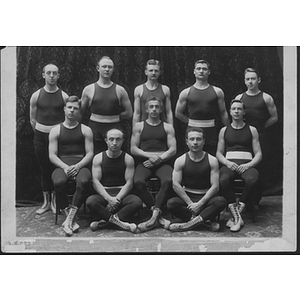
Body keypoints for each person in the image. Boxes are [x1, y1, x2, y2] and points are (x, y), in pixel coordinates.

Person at [161, 127, 226, 232]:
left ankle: (189, 224)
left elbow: (215, 186)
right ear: (187, 142)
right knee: (171, 204)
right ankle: (202, 222)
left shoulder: (212, 160)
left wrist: (200, 204)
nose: (195, 142)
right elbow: (175, 185)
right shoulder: (180, 160)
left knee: (220, 202)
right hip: (188, 198)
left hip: (205, 198)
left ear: (204, 141)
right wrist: (190, 203)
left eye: (198, 139)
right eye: (192, 139)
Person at [49, 96, 94, 236]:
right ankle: (70, 217)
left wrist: (78, 166)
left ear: (79, 111)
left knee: (84, 181)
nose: (72, 111)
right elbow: (52, 155)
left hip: (80, 165)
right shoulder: (55, 130)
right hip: (62, 165)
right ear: (64, 109)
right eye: (70, 107)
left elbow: (90, 153)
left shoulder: (86, 130)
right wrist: (64, 167)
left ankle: (68, 220)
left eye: (75, 108)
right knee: (58, 182)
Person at [131, 96, 177, 232]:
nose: (154, 109)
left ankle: (155, 215)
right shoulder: (139, 126)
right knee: (138, 181)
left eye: (157, 107)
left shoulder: (168, 127)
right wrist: (150, 157)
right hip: (145, 161)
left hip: (162, 162)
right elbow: (133, 148)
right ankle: (157, 213)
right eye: (151, 107)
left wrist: (159, 159)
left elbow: (173, 149)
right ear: (146, 109)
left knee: (168, 180)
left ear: (161, 109)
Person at [216, 99, 262, 232]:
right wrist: (227, 163)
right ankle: (238, 217)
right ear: (230, 112)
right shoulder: (224, 130)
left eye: (239, 109)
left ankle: (236, 215)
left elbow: (258, 154)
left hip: (246, 164)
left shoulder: (252, 130)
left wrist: (248, 165)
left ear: (244, 112)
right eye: (234, 109)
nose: (236, 111)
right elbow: (219, 153)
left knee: (252, 179)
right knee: (223, 179)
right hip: (230, 164)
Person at [235, 67, 278, 205]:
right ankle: (243, 199)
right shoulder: (239, 98)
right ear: (244, 81)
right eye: (248, 79)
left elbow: (274, 117)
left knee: (259, 168)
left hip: (260, 137)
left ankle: (255, 201)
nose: (250, 81)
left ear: (258, 80)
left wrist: (260, 127)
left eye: (253, 78)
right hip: (244, 138)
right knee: (245, 168)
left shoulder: (266, 97)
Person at [29, 63, 69, 215]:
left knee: (56, 169)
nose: (51, 76)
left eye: (54, 73)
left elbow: (69, 119)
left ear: (58, 76)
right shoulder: (36, 95)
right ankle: (46, 203)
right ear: (43, 75)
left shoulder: (64, 96)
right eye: (48, 73)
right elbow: (32, 120)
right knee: (44, 169)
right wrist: (42, 132)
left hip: (58, 138)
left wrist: (55, 134)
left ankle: (55, 202)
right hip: (40, 136)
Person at [86, 129, 142, 233]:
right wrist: (108, 199)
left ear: (123, 140)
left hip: (121, 195)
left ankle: (104, 223)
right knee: (91, 201)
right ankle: (120, 223)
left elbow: (129, 183)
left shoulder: (128, 158)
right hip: (105, 194)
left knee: (136, 202)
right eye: (111, 139)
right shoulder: (98, 158)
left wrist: (116, 199)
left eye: (118, 139)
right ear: (106, 140)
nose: (114, 143)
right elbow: (96, 182)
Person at [175, 59, 229, 155]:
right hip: (192, 130)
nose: (201, 71)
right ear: (194, 71)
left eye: (204, 69)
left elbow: (223, 113)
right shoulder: (186, 92)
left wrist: (228, 130)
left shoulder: (218, 92)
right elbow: (178, 113)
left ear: (209, 72)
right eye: (198, 68)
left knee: (212, 158)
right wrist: (192, 122)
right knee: (193, 158)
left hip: (211, 131)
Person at [80, 56, 133, 154]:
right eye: (104, 66)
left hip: (115, 127)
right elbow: (81, 113)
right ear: (98, 68)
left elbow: (129, 113)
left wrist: (114, 117)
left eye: (110, 67)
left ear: (113, 69)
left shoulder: (120, 90)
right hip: (94, 128)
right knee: (94, 156)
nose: (107, 69)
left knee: (115, 157)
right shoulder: (89, 89)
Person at [132, 59, 173, 125]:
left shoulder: (165, 89)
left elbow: (168, 113)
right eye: (151, 70)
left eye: (156, 71)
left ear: (160, 72)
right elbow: (137, 113)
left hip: (161, 127)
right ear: (146, 72)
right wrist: (135, 132)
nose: (153, 73)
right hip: (144, 128)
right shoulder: (139, 89)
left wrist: (171, 130)